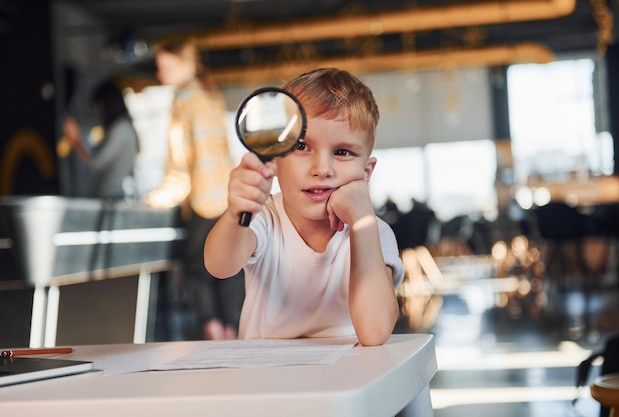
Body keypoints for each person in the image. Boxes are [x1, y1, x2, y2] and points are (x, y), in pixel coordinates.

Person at [204, 68, 405, 346]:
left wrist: (362, 223)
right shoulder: (264, 218)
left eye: (342, 152)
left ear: (366, 172)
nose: (322, 169)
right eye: (301, 146)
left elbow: (375, 332)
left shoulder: (373, 231)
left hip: (345, 378)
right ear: (274, 160)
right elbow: (219, 266)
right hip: (266, 378)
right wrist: (238, 212)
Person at [143, 38, 244, 341]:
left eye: (166, 67)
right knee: (229, 269)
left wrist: (160, 197)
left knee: (197, 271)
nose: (160, 75)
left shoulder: (183, 99)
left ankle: (215, 340)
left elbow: (181, 161)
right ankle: (232, 339)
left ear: (187, 66)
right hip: (227, 196)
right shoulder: (210, 95)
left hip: (202, 199)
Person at [63, 80, 140, 200]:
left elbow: (97, 163)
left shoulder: (121, 128)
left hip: (113, 198)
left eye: (99, 105)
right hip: (112, 197)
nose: (97, 111)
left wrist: (76, 140)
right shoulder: (121, 127)